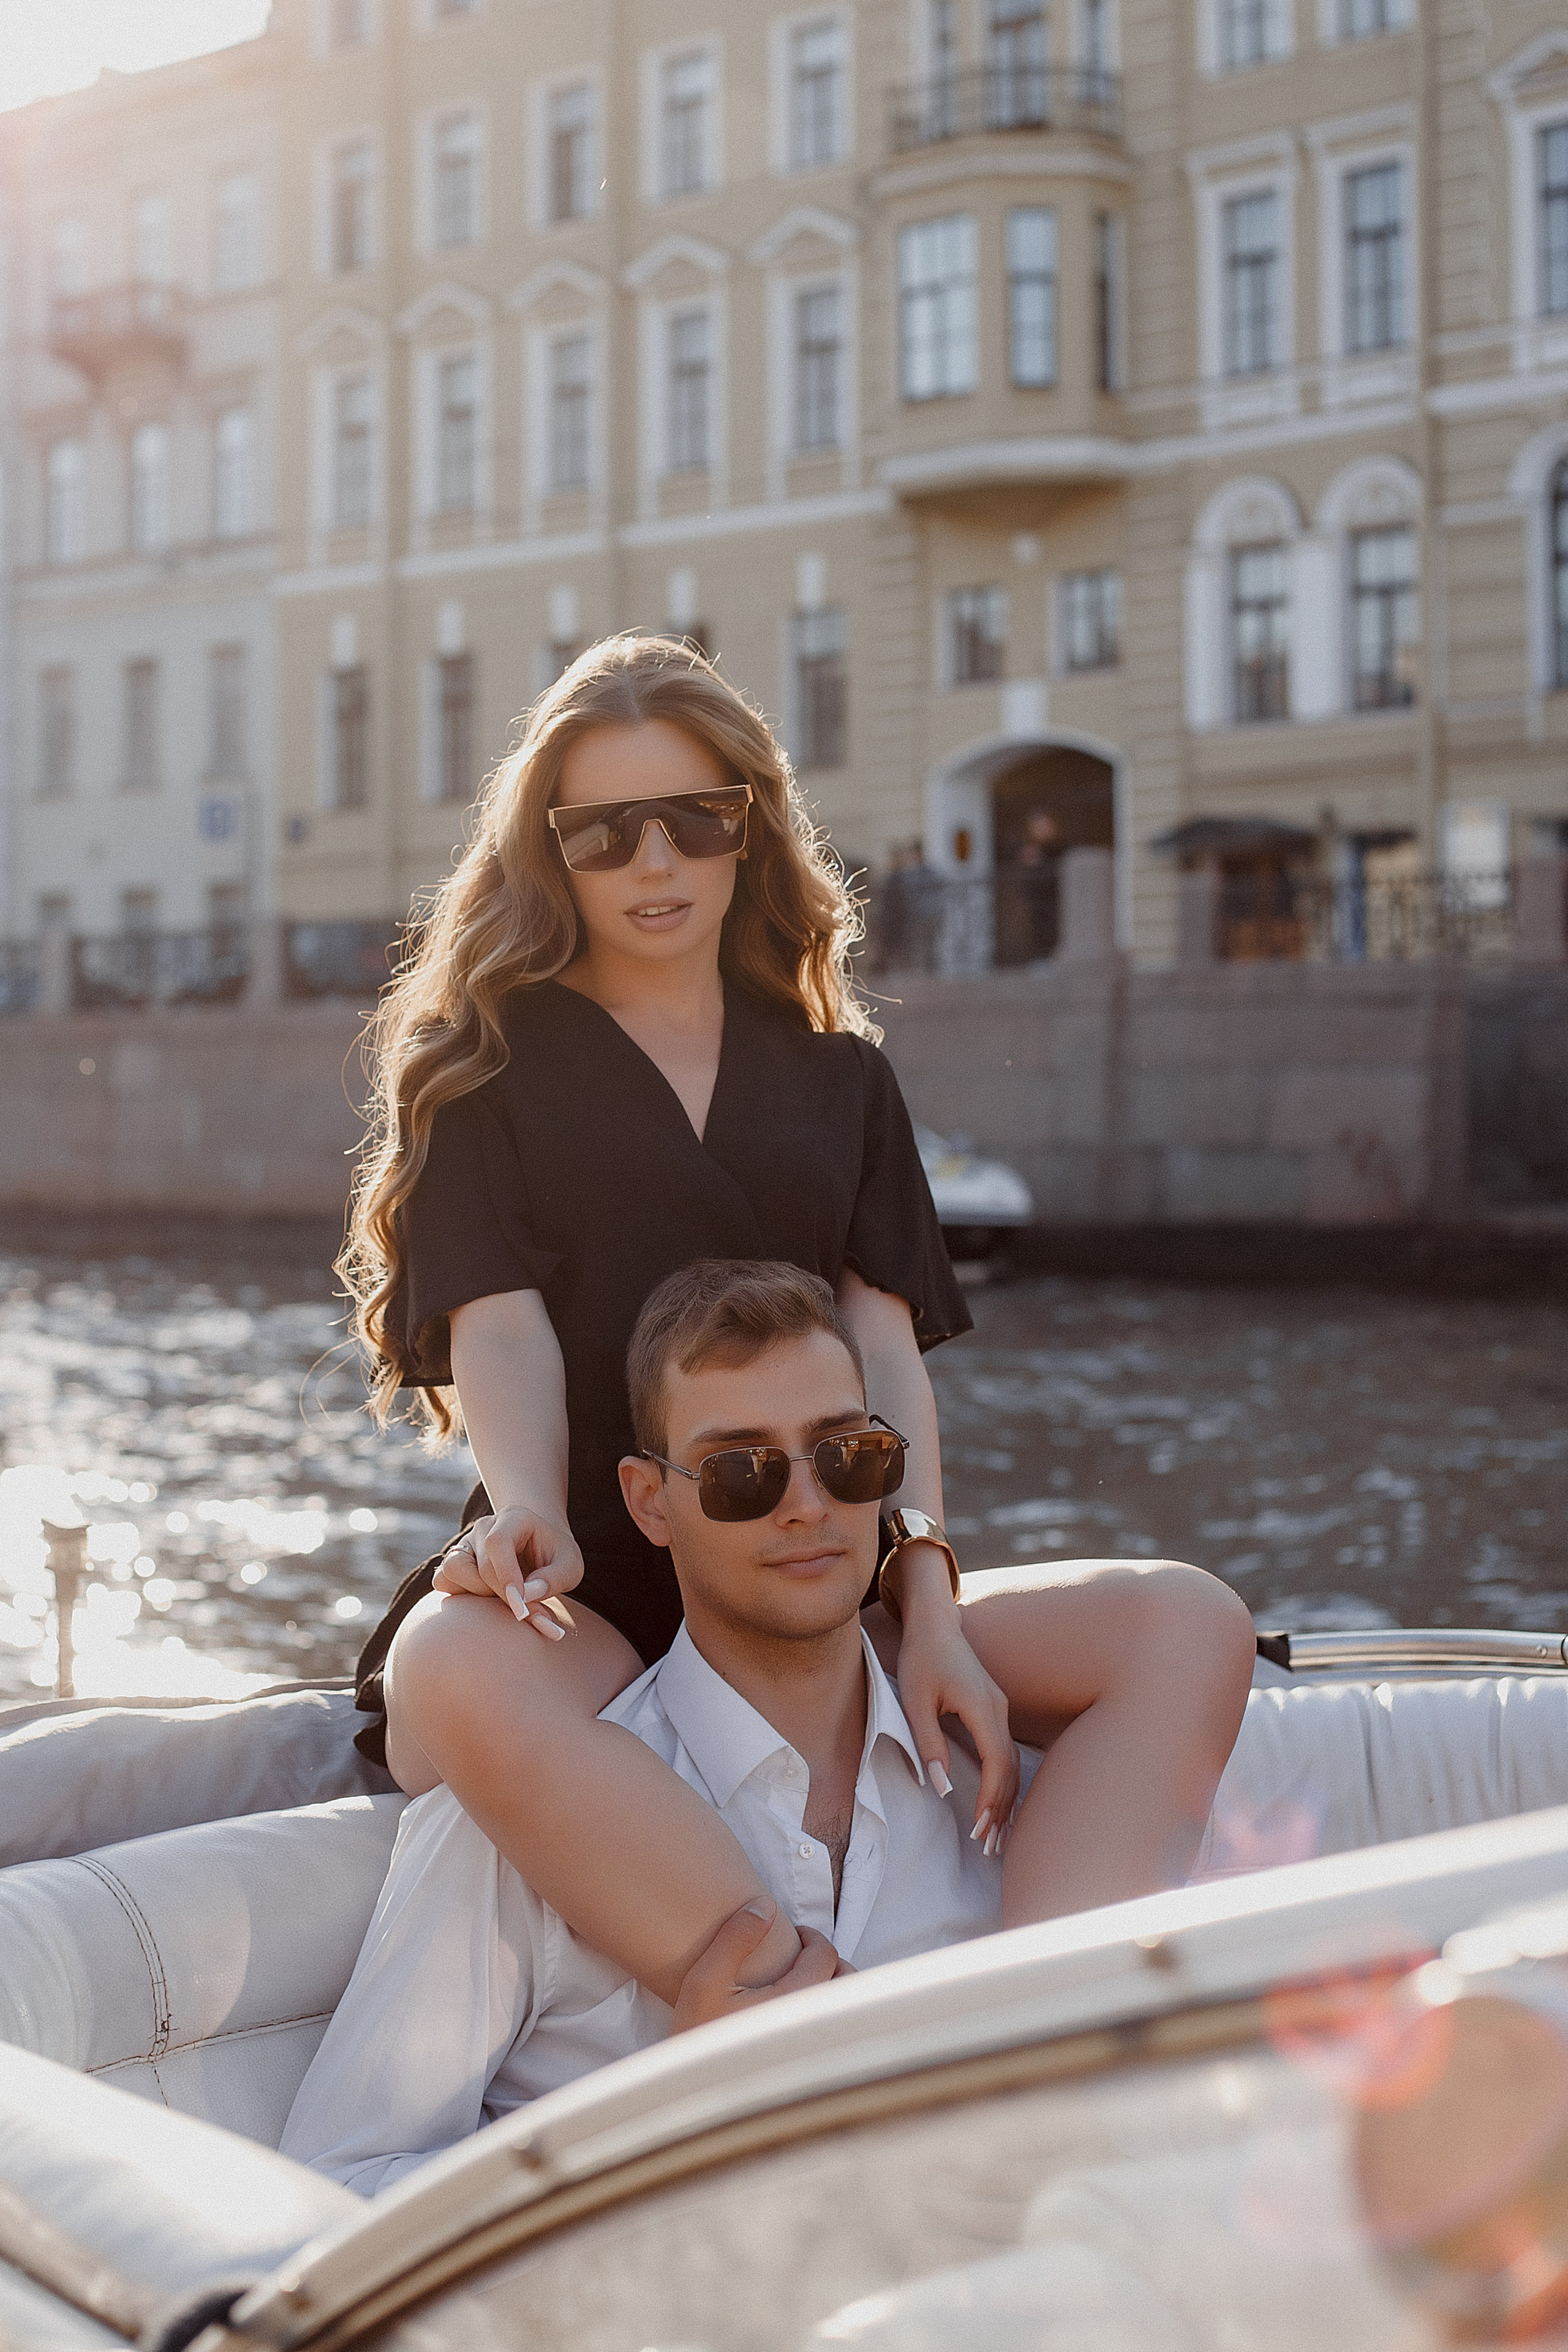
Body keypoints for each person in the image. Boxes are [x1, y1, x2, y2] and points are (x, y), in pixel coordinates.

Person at [339, 632, 1254, 2011]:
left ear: (749, 827)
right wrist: (525, 1508)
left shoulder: (839, 1078)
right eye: (604, 832)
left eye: (694, 820)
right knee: (451, 1672)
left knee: (1182, 1625)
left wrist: (926, 1598)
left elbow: (883, 1355)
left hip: (819, 1572)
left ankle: (1030, 2023)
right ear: (551, 852)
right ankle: (784, 2005)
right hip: (596, 1580)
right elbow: (501, 1325)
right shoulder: (488, 1074)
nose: (655, 863)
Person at [282, 1261, 1058, 2196]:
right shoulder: (512, 1830)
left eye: (850, 1456)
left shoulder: (1003, 1783)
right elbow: (338, 2186)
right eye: (741, 1472)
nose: (809, 1504)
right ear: (651, 1502)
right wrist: (660, 2137)